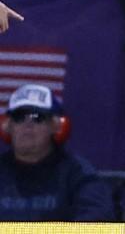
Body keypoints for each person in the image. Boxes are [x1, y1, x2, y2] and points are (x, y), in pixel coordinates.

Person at [0, 83, 116, 222]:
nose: (27, 125)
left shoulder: (77, 172)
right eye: (19, 117)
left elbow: (97, 220)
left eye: (37, 117)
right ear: (7, 126)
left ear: (56, 126)